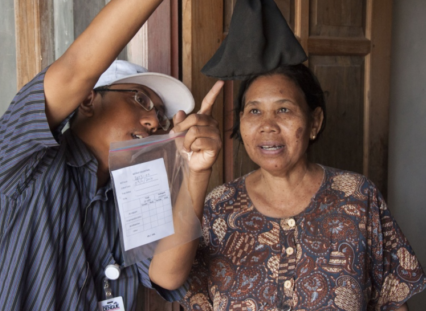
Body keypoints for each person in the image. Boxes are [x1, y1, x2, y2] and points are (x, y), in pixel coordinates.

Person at [0, 0, 254, 310]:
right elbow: (76, 71)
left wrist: (197, 173)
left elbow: (166, 275)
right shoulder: (23, 159)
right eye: (140, 100)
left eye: (160, 115)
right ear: (87, 101)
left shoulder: (136, 191)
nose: (155, 121)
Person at [180, 64, 426, 311]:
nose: (268, 125)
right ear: (241, 122)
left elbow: (393, 301)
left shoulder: (358, 196)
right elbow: (182, 286)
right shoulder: (219, 205)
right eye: (254, 111)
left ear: (314, 122)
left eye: (283, 109)